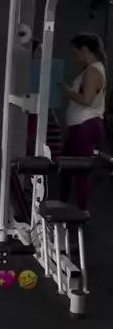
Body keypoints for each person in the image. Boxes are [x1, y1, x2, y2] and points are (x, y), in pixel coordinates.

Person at [60, 32, 107, 210]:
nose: (74, 57)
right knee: (65, 169)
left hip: (85, 126)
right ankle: (64, 206)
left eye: (76, 52)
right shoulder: (92, 69)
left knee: (79, 171)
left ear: (85, 50)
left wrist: (67, 91)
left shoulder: (93, 71)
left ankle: (81, 212)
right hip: (81, 126)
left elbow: (86, 100)